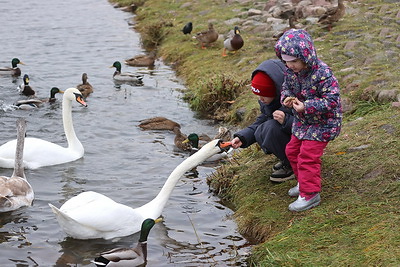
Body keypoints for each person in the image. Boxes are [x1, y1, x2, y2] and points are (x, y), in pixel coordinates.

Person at [275, 28, 342, 212]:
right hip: (303, 121)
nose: (290, 66)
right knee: (292, 150)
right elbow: (286, 89)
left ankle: (310, 194)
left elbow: (332, 100)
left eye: (294, 61)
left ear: (306, 55)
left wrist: (307, 106)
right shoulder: (291, 72)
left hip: (324, 123)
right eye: (286, 62)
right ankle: (303, 182)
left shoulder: (322, 73)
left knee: (307, 157)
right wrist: (286, 99)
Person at [230, 59, 295, 182]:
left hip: (305, 141)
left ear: (276, 91)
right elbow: (262, 120)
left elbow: (309, 126)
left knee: (269, 129)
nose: (261, 99)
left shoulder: (293, 98)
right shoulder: (269, 101)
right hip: (291, 138)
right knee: (262, 129)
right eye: (258, 95)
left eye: (264, 95)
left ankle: (294, 164)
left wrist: (286, 120)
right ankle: (288, 159)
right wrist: (243, 137)